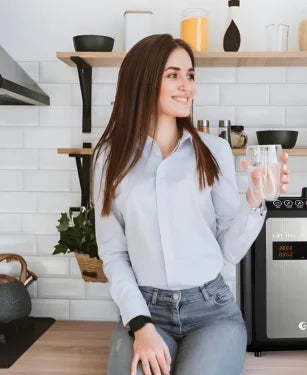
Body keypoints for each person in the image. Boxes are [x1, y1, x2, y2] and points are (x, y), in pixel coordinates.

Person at [90, 34, 290, 375]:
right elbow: (114, 253)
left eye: (190, 74)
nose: (187, 86)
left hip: (211, 312)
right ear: (143, 81)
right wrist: (141, 325)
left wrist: (254, 198)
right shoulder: (110, 157)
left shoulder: (214, 151)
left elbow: (229, 249)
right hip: (145, 310)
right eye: (173, 75)